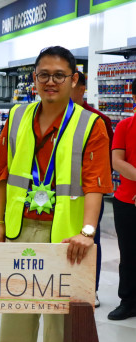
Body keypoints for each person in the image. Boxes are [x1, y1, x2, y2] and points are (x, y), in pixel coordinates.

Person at [0, 46, 112, 342]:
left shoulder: (91, 125)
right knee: (16, 318)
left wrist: (87, 232)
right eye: (44, 74)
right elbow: (1, 173)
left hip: (67, 239)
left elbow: (95, 184)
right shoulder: (18, 116)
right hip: (20, 231)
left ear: (73, 80)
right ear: (34, 78)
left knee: (60, 330)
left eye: (60, 75)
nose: (51, 81)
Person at [70, 72, 114, 308]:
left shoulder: (98, 120)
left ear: (82, 89)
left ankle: (91, 288)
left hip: (89, 195)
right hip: (60, 196)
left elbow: (103, 162)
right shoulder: (53, 117)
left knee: (90, 241)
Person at [108, 77, 136, 321]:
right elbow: (117, 161)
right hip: (127, 201)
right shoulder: (125, 126)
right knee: (128, 253)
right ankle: (128, 301)